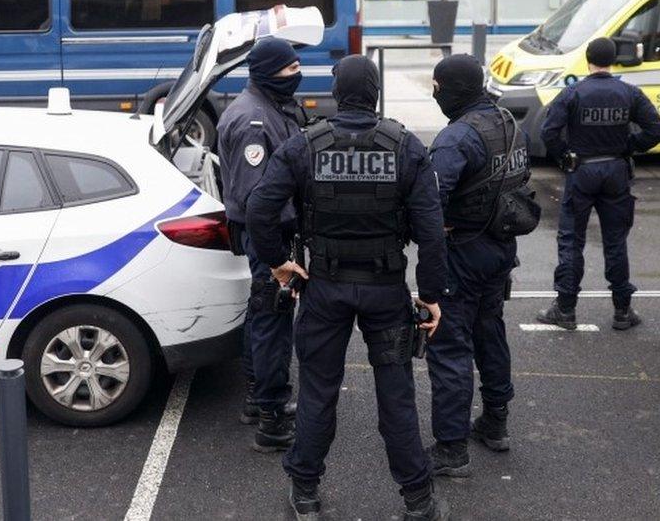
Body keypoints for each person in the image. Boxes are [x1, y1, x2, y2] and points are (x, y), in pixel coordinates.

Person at [246, 55, 450, 520]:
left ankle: (306, 494)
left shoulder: (305, 145)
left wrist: (279, 263)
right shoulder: (405, 146)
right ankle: (418, 500)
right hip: (385, 289)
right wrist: (431, 296)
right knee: (396, 394)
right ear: (375, 92)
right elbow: (432, 232)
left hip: (325, 289)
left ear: (338, 94)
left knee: (318, 390)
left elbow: (260, 209)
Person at [425, 54, 530, 478]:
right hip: (500, 247)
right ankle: (495, 421)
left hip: (464, 252)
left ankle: (451, 448)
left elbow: (429, 201)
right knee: (490, 330)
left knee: (450, 346)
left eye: (437, 87)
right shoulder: (508, 122)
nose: (434, 94)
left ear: (452, 88)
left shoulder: (457, 138)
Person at [537, 37, 660, 330]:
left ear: (588, 59)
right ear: (613, 61)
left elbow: (548, 132)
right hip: (616, 171)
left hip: (582, 171)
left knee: (572, 241)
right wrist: (627, 145)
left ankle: (565, 309)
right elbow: (656, 130)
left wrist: (564, 156)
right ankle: (622, 310)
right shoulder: (629, 93)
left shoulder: (573, 93)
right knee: (615, 241)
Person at [216, 37, 303, 452]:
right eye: (290, 69)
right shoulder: (253, 119)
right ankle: (270, 413)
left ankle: (257, 396)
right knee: (272, 317)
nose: (297, 74)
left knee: (263, 314)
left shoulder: (269, 106)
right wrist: (276, 258)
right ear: (269, 72)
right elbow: (257, 202)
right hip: (268, 236)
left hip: (270, 233)